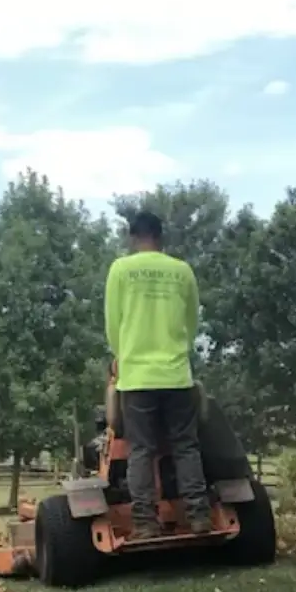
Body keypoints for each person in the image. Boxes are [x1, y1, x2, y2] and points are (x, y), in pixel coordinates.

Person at [104, 210, 212, 539]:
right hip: (177, 374)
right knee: (186, 446)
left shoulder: (121, 269)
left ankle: (145, 522)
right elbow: (191, 321)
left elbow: (113, 322)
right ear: (161, 237)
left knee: (141, 450)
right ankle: (198, 516)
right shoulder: (182, 271)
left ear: (133, 237)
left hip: (137, 377)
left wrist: (121, 355)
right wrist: (177, 348)